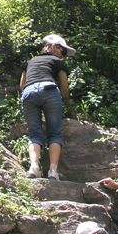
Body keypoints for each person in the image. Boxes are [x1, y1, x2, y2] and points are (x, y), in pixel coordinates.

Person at [20, 34, 74, 181]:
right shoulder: (57, 61)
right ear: (53, 47)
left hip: (29, 92)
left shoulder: (30, 61)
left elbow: (21, 85)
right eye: (62, 51)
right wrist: (68, 102)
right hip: (50, 90)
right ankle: (52, 172)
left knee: (34, 134)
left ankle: (34, 168)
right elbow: (64, 88)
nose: (63, 55)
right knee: (55, 133)